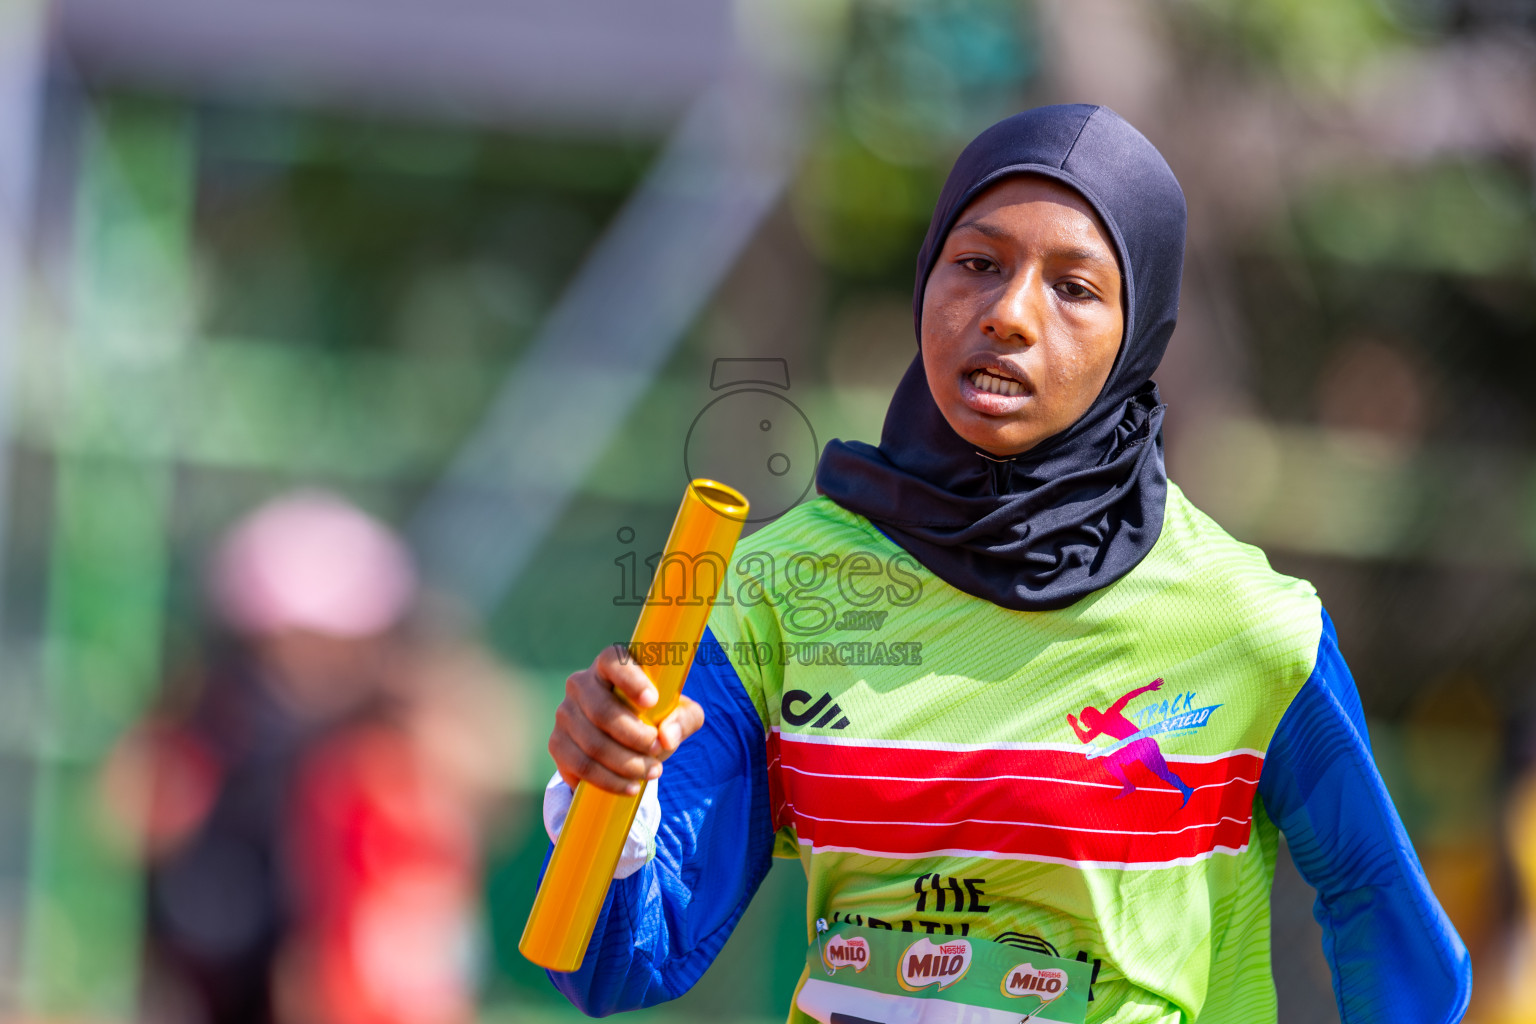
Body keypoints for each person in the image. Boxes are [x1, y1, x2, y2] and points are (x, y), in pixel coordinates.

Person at [540, 105, 1472, 1022]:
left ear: (1138, 332)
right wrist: (610, 801)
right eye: (977, 264)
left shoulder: (1249, 625)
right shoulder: (777, 590)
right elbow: (621, 969)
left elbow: (1385, 919)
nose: (1010, 315)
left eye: (1075, 287)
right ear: (925, 282)